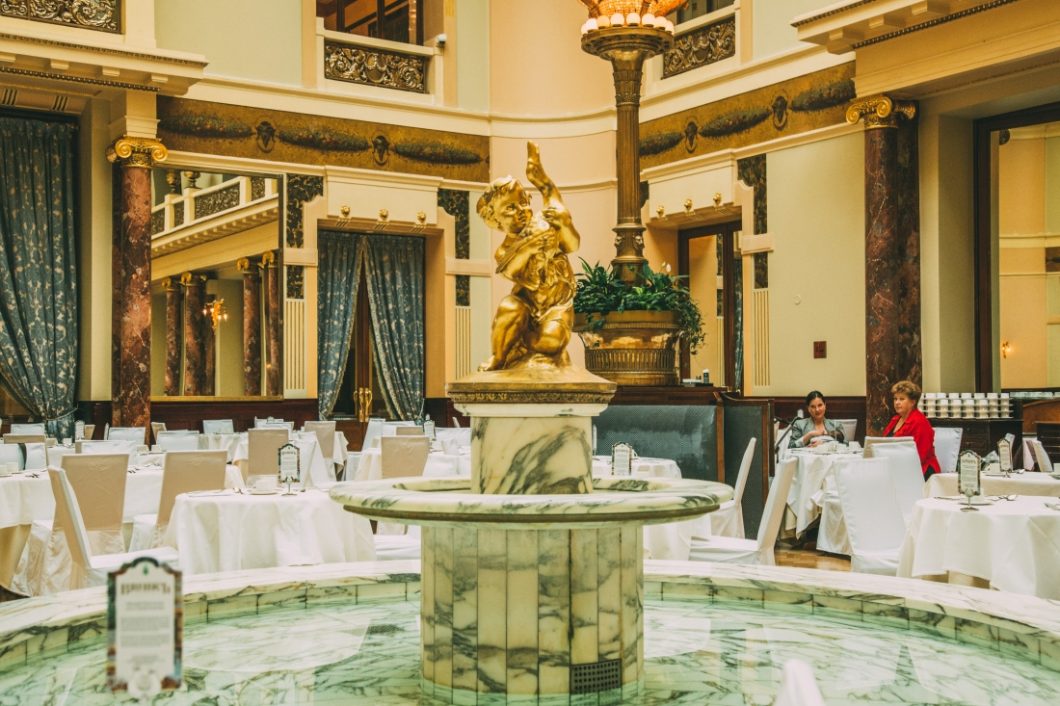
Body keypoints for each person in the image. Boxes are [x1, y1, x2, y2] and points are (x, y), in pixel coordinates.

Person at [476, 142, 579, 371]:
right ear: (495, 221)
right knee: (508, 307)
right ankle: (500, 357)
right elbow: (512, 267)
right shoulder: (503, 252)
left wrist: (563, 221)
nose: (521, 210)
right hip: (527, 305)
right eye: (510, 208)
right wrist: (531, 247)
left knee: (551, 341)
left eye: (523, 202)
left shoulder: (546, 221)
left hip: (557, 308)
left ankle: (524, 344)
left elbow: (573, 244)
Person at [882, 379, 940, 479]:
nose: (897, 402)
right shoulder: (895, 419)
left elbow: (920, 455)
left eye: (902, 399)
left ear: (912, 402)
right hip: (897, 467)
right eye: (895, 399)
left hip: (921, 471)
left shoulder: (920, 422)